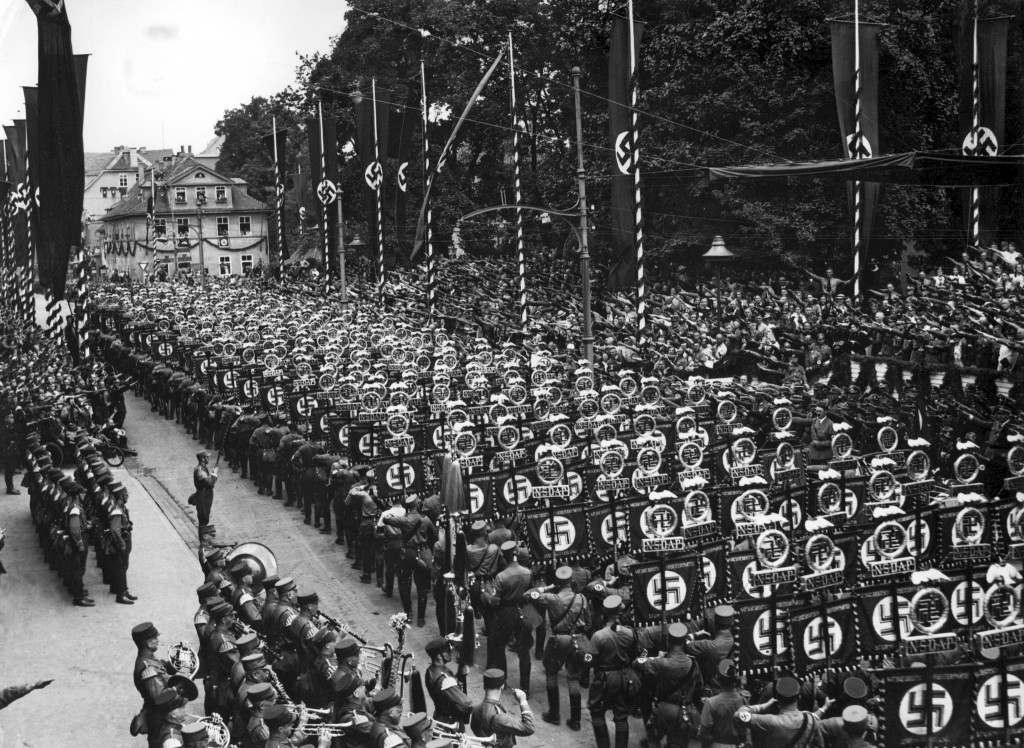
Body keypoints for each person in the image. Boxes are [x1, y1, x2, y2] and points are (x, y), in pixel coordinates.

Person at [528, 564, 590, 730]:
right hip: (578, 639)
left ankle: (554, 714)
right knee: (573, 679)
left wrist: (548, 587)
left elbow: (528, 595)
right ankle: (576, 721)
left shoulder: (551, 598)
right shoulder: (582, 598)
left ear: (557, 582)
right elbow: (589, 623)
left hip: (559, 639)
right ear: (571, 580)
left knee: (551, 674)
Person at [632, 622, 703, 748]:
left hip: (664, 710)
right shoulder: (693, 663)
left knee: (653, 741)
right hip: (685, 711)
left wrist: (656, 658)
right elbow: (699, 688)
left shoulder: (661, 663)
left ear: (668, 641)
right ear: (683, 642)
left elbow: (636, 663)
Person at [588, 595, 640, 748]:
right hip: (624, 676)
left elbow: (593, 661)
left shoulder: (598, 636)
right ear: (620, 612)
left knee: (597, 712)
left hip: (605, 677)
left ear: (604, 612)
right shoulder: (630, 633)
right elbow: (633, 656)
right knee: (621, 716)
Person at [484, 541, 534, 693]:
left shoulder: (501, 577)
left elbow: (495, 601)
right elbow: (531, 593)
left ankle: (503, 681)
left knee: (500, 646)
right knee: (524, 650)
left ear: (504, 557)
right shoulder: (527, 572)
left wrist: (486, 595)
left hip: (506, 613)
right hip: (523, 611)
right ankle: (525, 687)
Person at [735, 676, 834, 748]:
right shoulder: (811, 719)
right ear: (799, 697)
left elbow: (739, 715)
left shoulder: (769, 721)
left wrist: (764, 706)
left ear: (777, 699)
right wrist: (824, 707)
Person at [469, 669, 535, 748]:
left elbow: (474, 729)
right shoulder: (500, 717)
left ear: (484, 686)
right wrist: (523, 700)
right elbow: (529, 728)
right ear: (502, 686)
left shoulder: (476, 709)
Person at [132, 621, 173, 746]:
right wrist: (182, 680)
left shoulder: (147, 658)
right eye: (155, 638)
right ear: (149, 643)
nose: (158, 640)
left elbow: (160, 666)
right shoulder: (147, 669)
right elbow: (161, 698)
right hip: (158, 718)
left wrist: (175, 663)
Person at [424, 637, 474, 727]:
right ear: (439, 656)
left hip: (441, 717)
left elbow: (445, 691)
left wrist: (460, 675)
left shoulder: (431, 670)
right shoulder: (444, 679)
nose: (451, 652)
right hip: (450, 724)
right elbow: (467, 705)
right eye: (447, 651)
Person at [697, 659, 747, 748]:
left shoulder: (711, 703)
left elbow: (704, 731)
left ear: (718, 680)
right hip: (739, 745)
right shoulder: (744, 701)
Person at [107, 480, 137, 604]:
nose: (127, 497)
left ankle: (123, 590)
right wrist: (122, 544)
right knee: (121, 567)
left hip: (124, 539)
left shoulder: (121, 508)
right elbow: (115, 530)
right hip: (121, 542)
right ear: (120, 496)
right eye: (125, 495)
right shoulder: (116, 510)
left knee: (122, 567)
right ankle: (121, 594)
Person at [192, 451, 219, 527]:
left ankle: (204, 535)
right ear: (202, 459)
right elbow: (209, 483)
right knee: (203, 517)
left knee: (205, 515)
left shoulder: (203, 468)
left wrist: (212, 473)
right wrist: (214, 474)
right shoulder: (200, 470)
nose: (208, 458)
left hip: (206, 495)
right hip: (203, 496)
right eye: (207, 457)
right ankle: (203, 536)